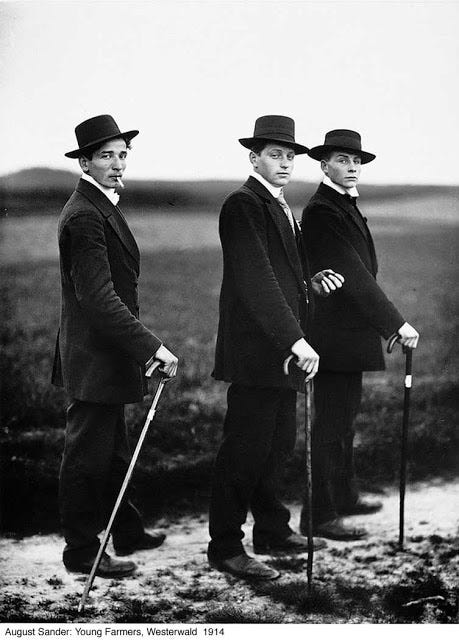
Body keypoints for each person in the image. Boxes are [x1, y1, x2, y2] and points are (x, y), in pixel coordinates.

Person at [208, 115, 345, 580]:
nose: (285, 162)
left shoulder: (280, 205)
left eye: (289, 156)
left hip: (282, 351)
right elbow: (257, 280)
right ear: (254, 158)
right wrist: (296, 339)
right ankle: (225, 546)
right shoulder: (243, 205)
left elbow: (283, 274)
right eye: (275, 154)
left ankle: (271, 528)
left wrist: (311, 282)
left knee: (278, 444)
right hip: (257, 352)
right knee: (244, 449)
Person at [52, 114, 178, 577]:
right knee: (87, 456)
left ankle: (126, 530)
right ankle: (82, 552)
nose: (118, 164)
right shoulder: (85, 213)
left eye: (123, 155)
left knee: (115, 450)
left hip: (107, 354)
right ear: (85, 161)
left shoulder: (100, 204)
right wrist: (151, 347)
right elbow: (99, 298)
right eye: (107, 156)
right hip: (94, 356)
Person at [300, 129, 419, 540]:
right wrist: (395, 324)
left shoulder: (341, 205)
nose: (352, 168)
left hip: (349, 334)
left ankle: (345, 495)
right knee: (331, 425)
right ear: (324, 165)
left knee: (344, 420)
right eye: (342, 160)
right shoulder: (322, 210)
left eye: (356, 162)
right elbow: (352, 274)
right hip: (333, 336)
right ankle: (319, 514)